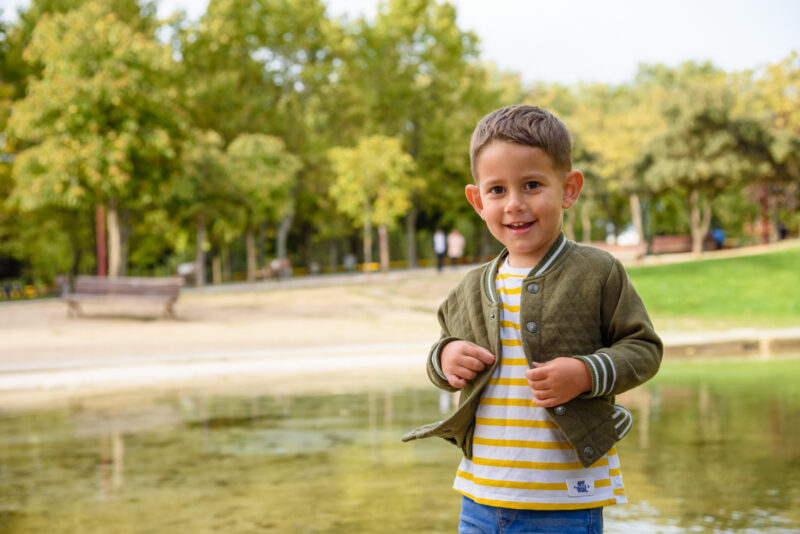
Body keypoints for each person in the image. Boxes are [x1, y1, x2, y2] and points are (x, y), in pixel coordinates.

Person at [402, 105, 662, 533]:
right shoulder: (469, 287)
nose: (515, 204)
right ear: (477, 200)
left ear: (569, 189)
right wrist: (445, 359)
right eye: (497, 190)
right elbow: (442, 353)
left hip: (565, 501)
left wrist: (585, 373)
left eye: (532, 185)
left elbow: (644, 349)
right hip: (480, 496)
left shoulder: (598, 272)